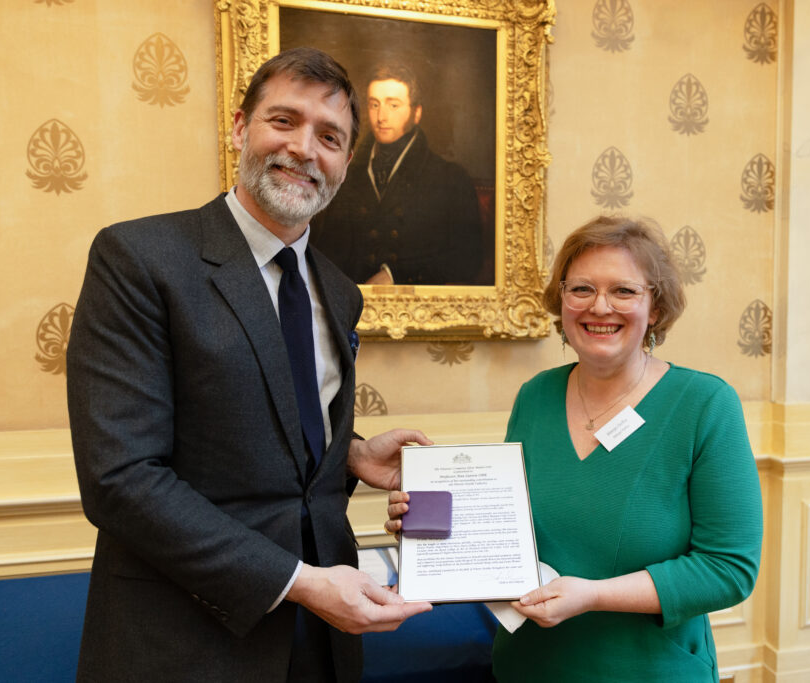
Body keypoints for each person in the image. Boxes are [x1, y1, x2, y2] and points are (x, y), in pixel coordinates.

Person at [67, 47, 432, 683]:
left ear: (346, 161)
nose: (304, 149)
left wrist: (351, 454)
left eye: (329, 136)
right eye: (283, 121)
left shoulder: (340, 291)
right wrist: (299, 583)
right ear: (241, 128)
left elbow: (262, 418)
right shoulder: (140, 258)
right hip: (185, 638)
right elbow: (121, 477)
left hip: (323, 641)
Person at [387, 215, 763, 681]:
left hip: (647, 670)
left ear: (657, 308)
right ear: (561, 302)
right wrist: (427, 523)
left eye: (623, 291)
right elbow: (510, 528)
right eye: (581, 289)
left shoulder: (706, 405)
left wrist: (595, 595)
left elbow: (729, 569)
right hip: (529, 666)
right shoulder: (535, 396)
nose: (599, 307)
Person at [310, 63, 486, 286]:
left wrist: (397, 275)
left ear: (416, 113)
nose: (381, 116)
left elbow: (468, 259)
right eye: (374, 105)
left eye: (393, 105)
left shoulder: (451, 179)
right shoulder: (344, 172)